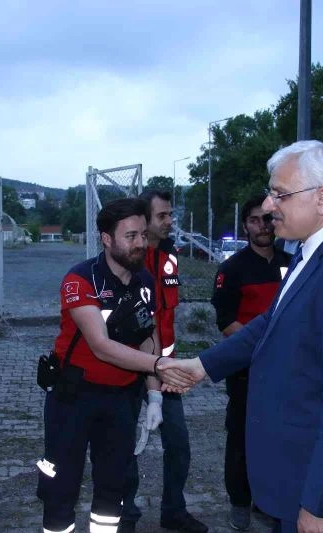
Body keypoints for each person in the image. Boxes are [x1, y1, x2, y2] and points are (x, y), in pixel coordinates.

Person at [159, 140, 323, 533]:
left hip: (317, 490)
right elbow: (271, 322)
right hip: (296, 472)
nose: (268, 206)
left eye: (280, 194)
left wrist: (320, 504)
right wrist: (202, 366)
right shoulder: (312, 251)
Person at [37, 197, 192, 533]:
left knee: (113, 489)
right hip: (73, 397)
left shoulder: (144, 281)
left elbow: (148, 335)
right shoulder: (81, 279)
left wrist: (154, 396)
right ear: (107, 239)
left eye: (143, 235)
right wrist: (162, 365)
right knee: (61, 486)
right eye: (130, 236)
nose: (140, 243)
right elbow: (102, 346)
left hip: (121, 398)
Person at [119, 190, 208, 533]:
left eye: (171, 215)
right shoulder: (127, 259)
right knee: (123, 445)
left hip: (165, 368)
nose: (170, 221)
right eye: (162, 216)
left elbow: (166, 317)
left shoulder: (170, 257)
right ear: (144, 219)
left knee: (179, 443)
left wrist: (167, 363)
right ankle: (125, 516)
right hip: (129, 368)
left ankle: (173, 510)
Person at [210, 194, 290, 530]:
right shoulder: (232, 269)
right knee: (242, 438)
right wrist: (262, 347)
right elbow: (226, 321)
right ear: (245, 226)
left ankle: (269, 500)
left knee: (279, 437)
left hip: (288, 369)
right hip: (247, 370)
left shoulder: (292, 264)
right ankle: (239, 504)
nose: (263, 226)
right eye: (255, 220)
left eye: (267, 219)